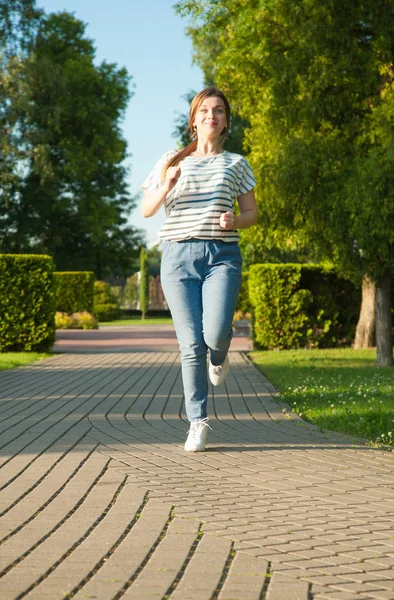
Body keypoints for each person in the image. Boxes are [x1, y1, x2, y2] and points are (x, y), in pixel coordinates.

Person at [141, 86, 258, 452]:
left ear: (225, 121)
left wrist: (235, 221)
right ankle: (198, 422)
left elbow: (253, 213)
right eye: (205, 110)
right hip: (177, 257)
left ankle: (220, 357)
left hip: (221, 255)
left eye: (218, 110)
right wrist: (167, 185)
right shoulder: (170, 160)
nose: (211, 115)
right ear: (194, 120)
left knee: (217, 333)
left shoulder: (236, 163)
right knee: (190, 344)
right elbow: (147, 209)